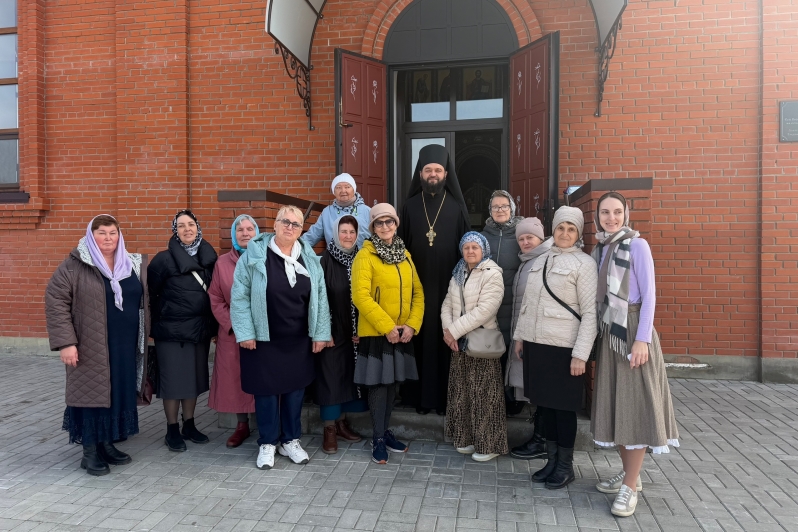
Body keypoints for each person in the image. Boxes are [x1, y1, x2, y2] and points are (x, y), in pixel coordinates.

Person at [590, 192, 680, 517]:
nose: (611, 217)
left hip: (631, 333)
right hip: (610, 335)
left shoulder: (637, 245)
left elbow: (651, 295)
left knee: (636, 408)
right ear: (596, 216)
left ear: (627, 213)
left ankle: (630, 486)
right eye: (605, 212)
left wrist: (642, 340)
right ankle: (631, 476)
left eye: (617, 211)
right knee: (617, 406)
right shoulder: (602, 247)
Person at [45, 215, 150, 476]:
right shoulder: (75, 265)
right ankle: (89, 452)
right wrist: (66, 343)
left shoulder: (131, 263)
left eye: (112, 233)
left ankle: (107, 443)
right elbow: (55, 301)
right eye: (102, 233)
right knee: (92, 395)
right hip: (89, 345)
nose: (108, 238)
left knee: (116, 393)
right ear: (92, 236)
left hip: (125, 345)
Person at [230, 205, 331, 470]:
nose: (289, 227)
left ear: (300, 230)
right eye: (284, 221)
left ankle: (290, 440)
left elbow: (320, 297)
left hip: (298, 338)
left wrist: (320, 333)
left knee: (295, 390)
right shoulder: (253, 256)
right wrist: (246, 332)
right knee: (266, 391)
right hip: (263, 338)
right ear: (274, 225)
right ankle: (267, 442)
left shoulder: (309, 257)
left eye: (295, 224)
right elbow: (239, 297)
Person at [512, 206, 597, 490]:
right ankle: (550, 461)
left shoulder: (584, 264)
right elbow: (529, 304)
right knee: (545, 408)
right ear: (554, 230)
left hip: (564, 349)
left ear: (578, 233)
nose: (564, 233)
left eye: (571, 229)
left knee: (563, 411)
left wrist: (580, 354)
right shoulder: (542, 259)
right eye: (560, 228)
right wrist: (521, 337)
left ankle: (565, 466)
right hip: (537, 345)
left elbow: (590, 314)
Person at [398, 144, 470, 415]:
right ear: (420, 173)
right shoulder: (408, 206)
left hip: (448, 286)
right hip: (416, 287)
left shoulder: (457, 207)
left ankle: (445, 400)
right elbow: (400, 247)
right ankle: (418, 398)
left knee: (445, 338)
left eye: (438, 170)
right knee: (418, 339)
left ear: (446, 173)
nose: (433, 174)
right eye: (428, 169)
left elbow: (466, 250)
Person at [352, 204, 424, 464]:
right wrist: (387, 327)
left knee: (393, 386)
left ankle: (385, 431)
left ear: (396, 224)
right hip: (377, 333)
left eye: (389, 222)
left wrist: (412, 325)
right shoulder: (365, 256)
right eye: (379, 223)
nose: (384, 227)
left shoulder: (405, 255)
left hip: (402, 332)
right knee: (379, 387)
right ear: (372, 227)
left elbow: (418, 292)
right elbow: (360, 296)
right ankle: (378, 437)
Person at [148, 210, 218, 452]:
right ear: (174, 231)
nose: (187, 229)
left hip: (199, 330)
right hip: (171, 333)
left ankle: (189, 425)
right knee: (173, 382)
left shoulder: (209, 256)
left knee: (194, 380)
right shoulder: (163, 260)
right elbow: (152, 294)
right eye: (181, 226)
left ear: (198, 227)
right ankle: (171, 429)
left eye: (191, 225)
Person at [441, 232, 507, 462]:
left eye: (475, 247)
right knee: (462, 394)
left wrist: (453, 331)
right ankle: (466, 438)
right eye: (466, 247)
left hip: (481, 342)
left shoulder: (492, 273)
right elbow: (447, 304)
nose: (470, 251)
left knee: (485, 395)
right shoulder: (458, 272)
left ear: (483, 250)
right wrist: (447, 332)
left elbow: (485, 309)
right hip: (459, 343)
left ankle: (490, 444)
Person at [317, 215, 368, 454]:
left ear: (357, 234)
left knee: (349, 377)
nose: (347, 236)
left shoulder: (363, 257)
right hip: (332, 332)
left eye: (351, 232)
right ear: (336, 234)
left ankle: (341, 423)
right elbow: (319, 299)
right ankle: (329, 429)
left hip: (355, 334)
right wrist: (324, 331)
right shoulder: (325, 260)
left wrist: (364, 330)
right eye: (343, 231)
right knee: (330, 378)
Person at [208, 215, 258, 448]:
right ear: (233, 234)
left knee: (263, 376)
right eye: (240, 229)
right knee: (236, 379)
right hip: (234, 333)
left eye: (250, 229)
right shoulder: (222, 263)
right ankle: (242, 425)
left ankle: (269, 422)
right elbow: (216, 298)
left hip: (262, 331)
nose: (245, 233)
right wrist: (235, 326)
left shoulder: (266, 258)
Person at [506, 217, 554, 460]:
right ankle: (540, 437)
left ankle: (541, 440)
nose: (525, 242)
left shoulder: (545, 260)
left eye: (530, 238)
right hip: (526, 334)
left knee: (542, 389)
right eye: (521, 238)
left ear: (540, 238)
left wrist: (524, 336)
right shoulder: (527, 260)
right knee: (536, 388)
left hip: (538, 336)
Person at [480, 190, 524, 415]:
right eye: (495, 207)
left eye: (504, 206)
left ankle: (512, 399)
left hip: (514, 303)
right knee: (492, 349)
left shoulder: (520, 233)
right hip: (490, 305)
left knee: (512, 351)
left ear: (512, 209)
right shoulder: (483, 236)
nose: (500, 210)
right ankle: (492, 399)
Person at [302, 173, 371, 248]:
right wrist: (296, 246)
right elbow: (313, 235)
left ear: (354, 189)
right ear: (334, 191)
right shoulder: (327, 212)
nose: (343, 191)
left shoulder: (367, 211)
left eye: (347, 187)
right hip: (334, 258)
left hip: (362, 257)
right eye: (338, 187)